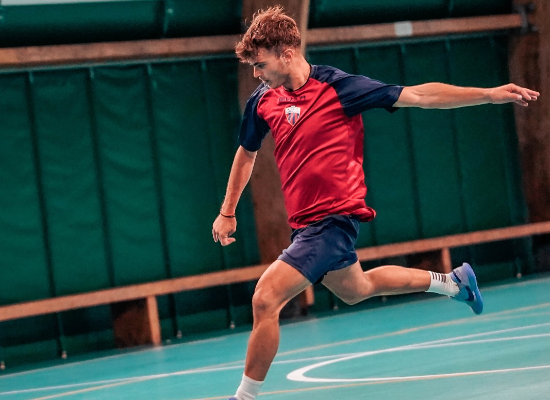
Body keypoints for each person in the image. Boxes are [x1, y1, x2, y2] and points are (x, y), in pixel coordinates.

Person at [211, 6, 539, 400]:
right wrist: (227, 211)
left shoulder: (339, 88)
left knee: (265, 299)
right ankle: (454, 283)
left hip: (333, 221)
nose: (255, 74)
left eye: (260, 64)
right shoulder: (263, 100)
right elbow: (246, 152)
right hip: (304, 225)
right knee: (356, 288)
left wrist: (488, 94)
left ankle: (244, 397)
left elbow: (420, 95)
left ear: (286, 53)